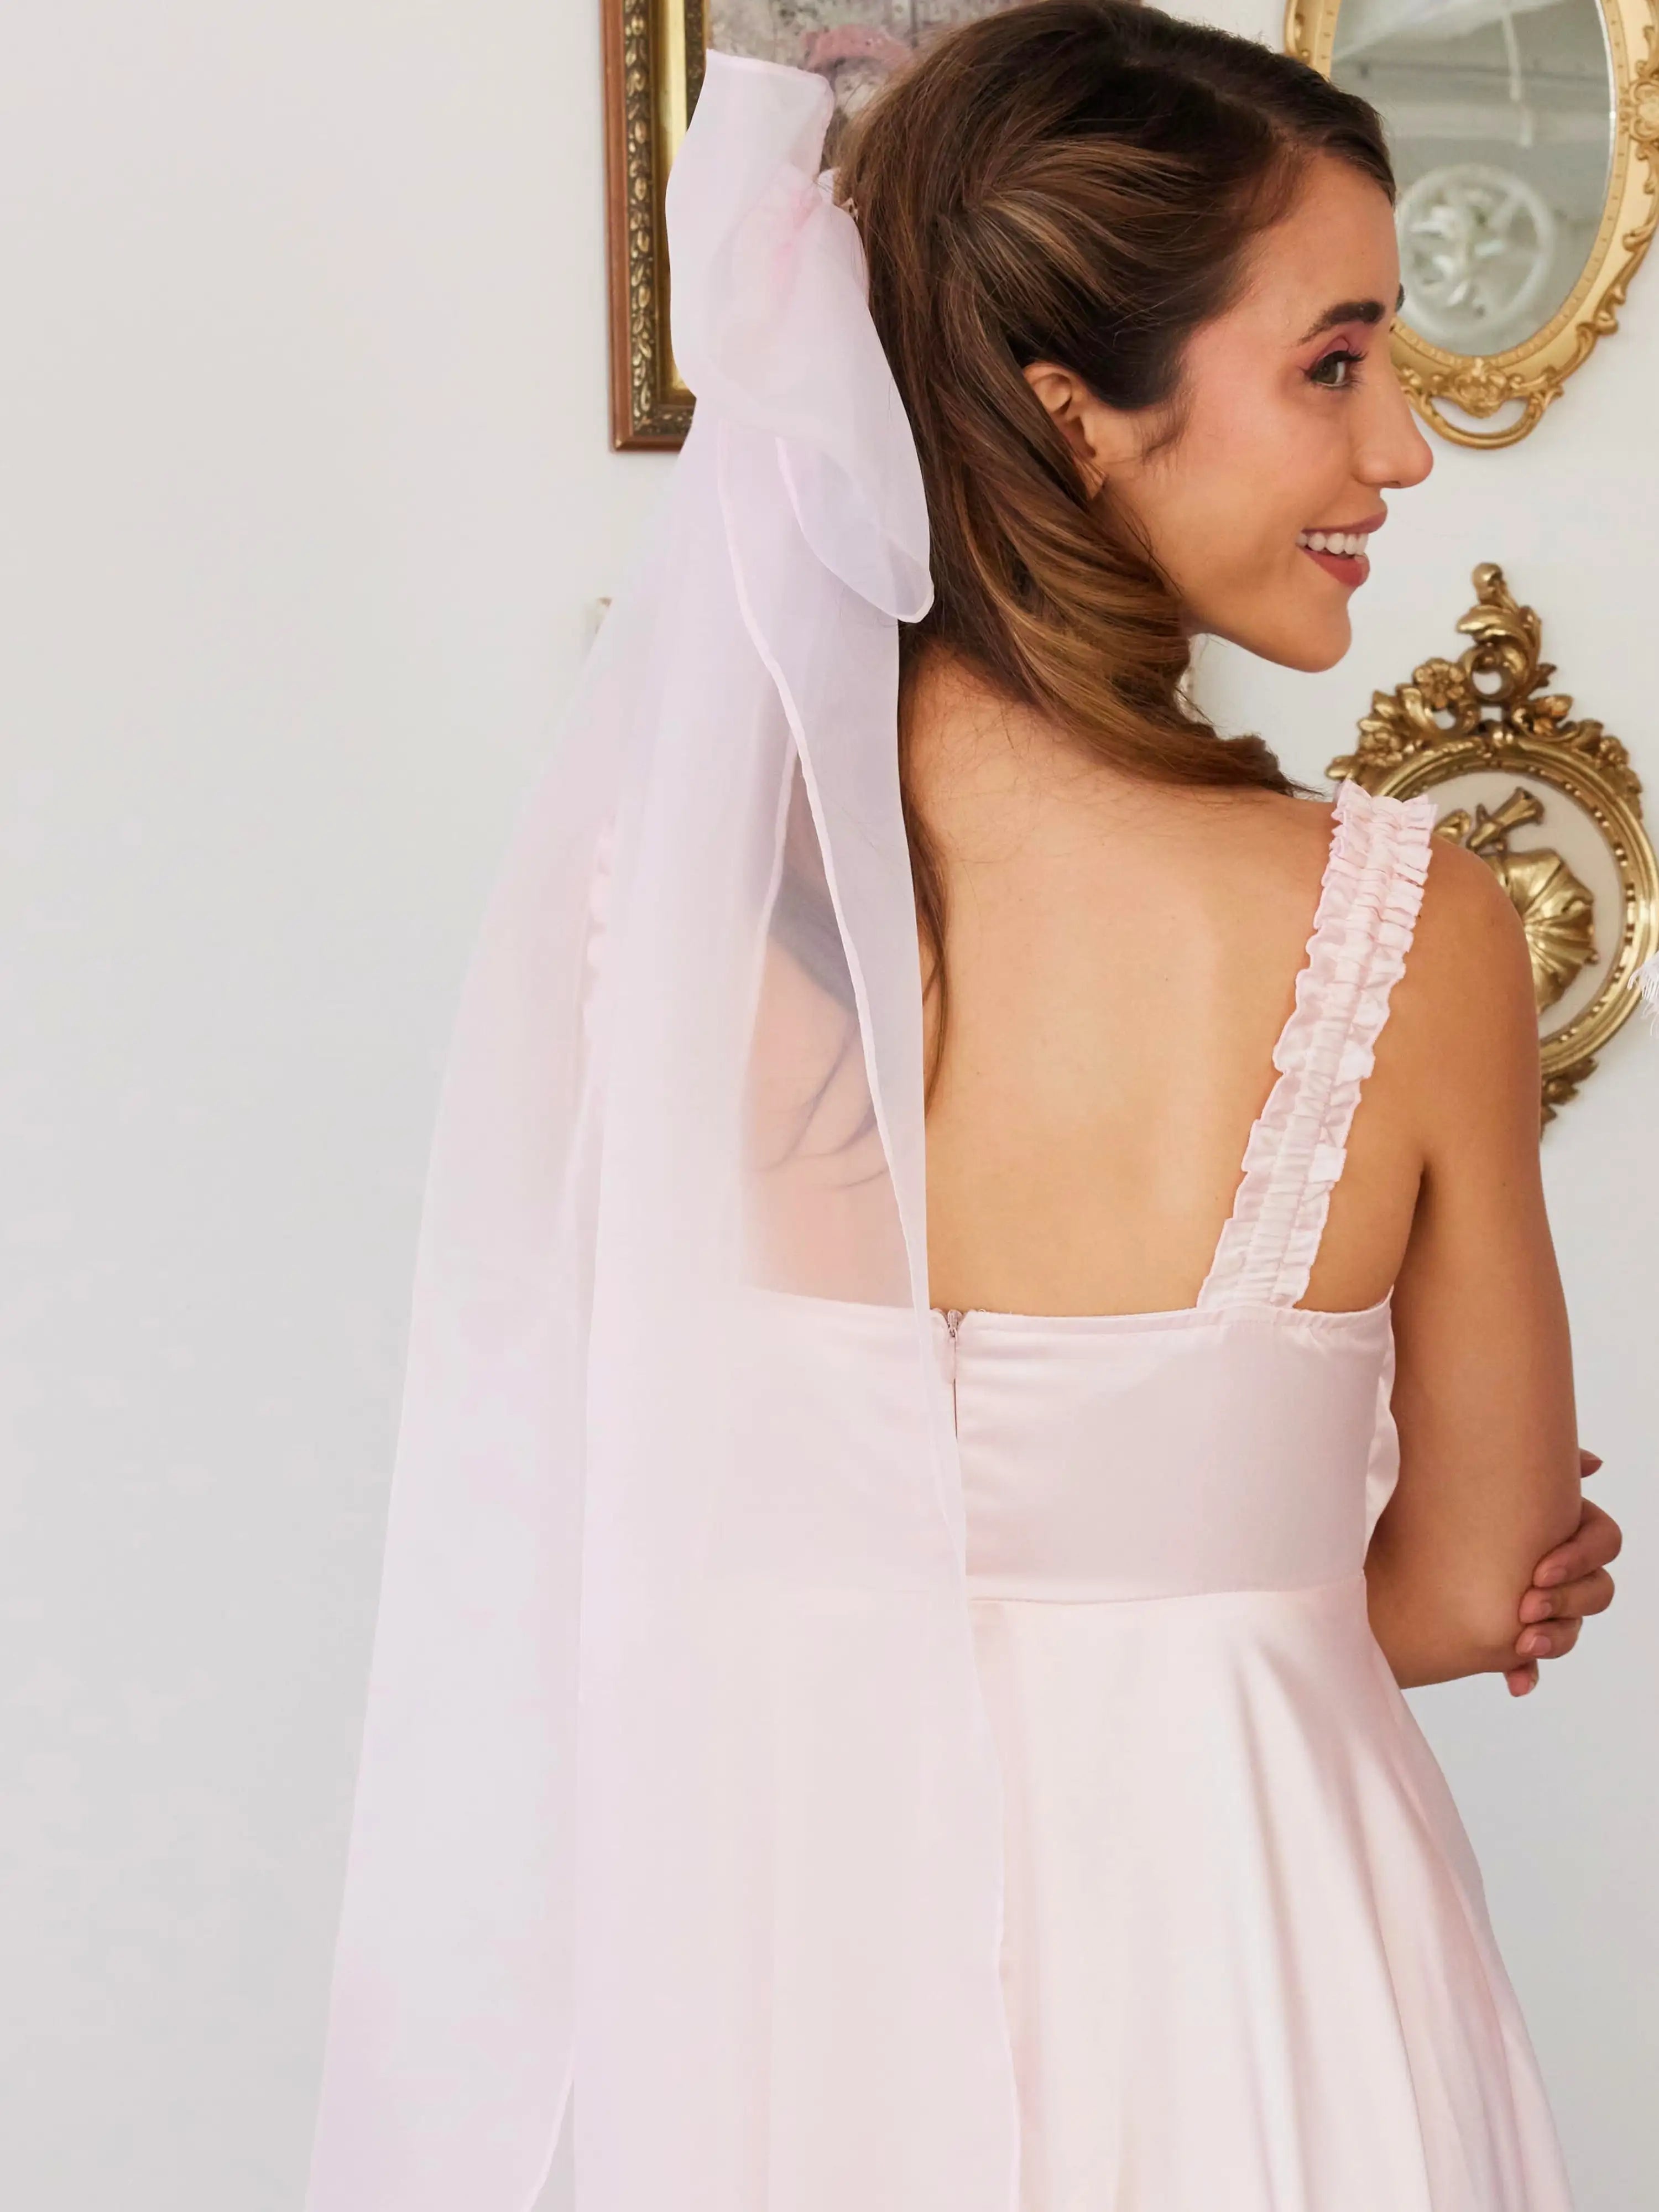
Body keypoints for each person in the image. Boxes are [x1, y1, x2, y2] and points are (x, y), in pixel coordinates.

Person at [304, 9, 1624, 2208]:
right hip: (1247, 1965)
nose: (1400, 446)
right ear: (1071, 417)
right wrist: (1312, 1558)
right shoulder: (1411, 926)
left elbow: (578, 1564)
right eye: (1333, 361)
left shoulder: (661, 905)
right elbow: (1470, 1575)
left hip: (772, 1996)